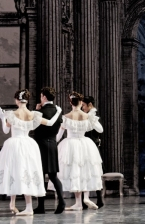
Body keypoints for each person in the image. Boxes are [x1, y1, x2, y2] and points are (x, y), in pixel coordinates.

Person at [0, 89, 62, 215]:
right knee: (26, 170)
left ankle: (16, 204)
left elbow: (6, 131)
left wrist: (2, 118)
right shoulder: (34, 114)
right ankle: (24, 205)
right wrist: (59, 112)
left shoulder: (12, 114)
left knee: (14, 170)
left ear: (17, 100)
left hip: (14, 144)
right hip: (28, 144)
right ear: (27, 100)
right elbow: (50, 123)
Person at [50, 92, 104, 211]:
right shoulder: (87, 117)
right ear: (81, 103)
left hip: (70, 144)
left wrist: (52, 143)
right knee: (85, 169)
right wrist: (92, 119)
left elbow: (58, 136)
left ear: (70, 103)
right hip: (84, 143)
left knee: (74, 171)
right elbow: (100, 129)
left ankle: (79, 202)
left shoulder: (66, 117)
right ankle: (86, 197)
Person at [33, 86, 67, 214]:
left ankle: (41, 206)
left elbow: (34, 126)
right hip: (52, 144)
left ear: (44, 97)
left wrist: (36, 110)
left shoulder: (40, 112)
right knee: (53, 176)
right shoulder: (57, 110)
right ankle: (62, 202)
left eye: (41, 96)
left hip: (41, 144)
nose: (40, 98)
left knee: (41, 176)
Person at [81, 96, 104, 209]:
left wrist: (91, 119)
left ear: (89, 105)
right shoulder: (85, 115)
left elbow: (100, 130)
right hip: (85, 146)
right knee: (84, 171)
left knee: (94, 171)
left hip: (92, 146)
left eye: (84, 105)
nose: (82, 108)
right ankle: (83, 199)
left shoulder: (94, 115)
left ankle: (99, 198)